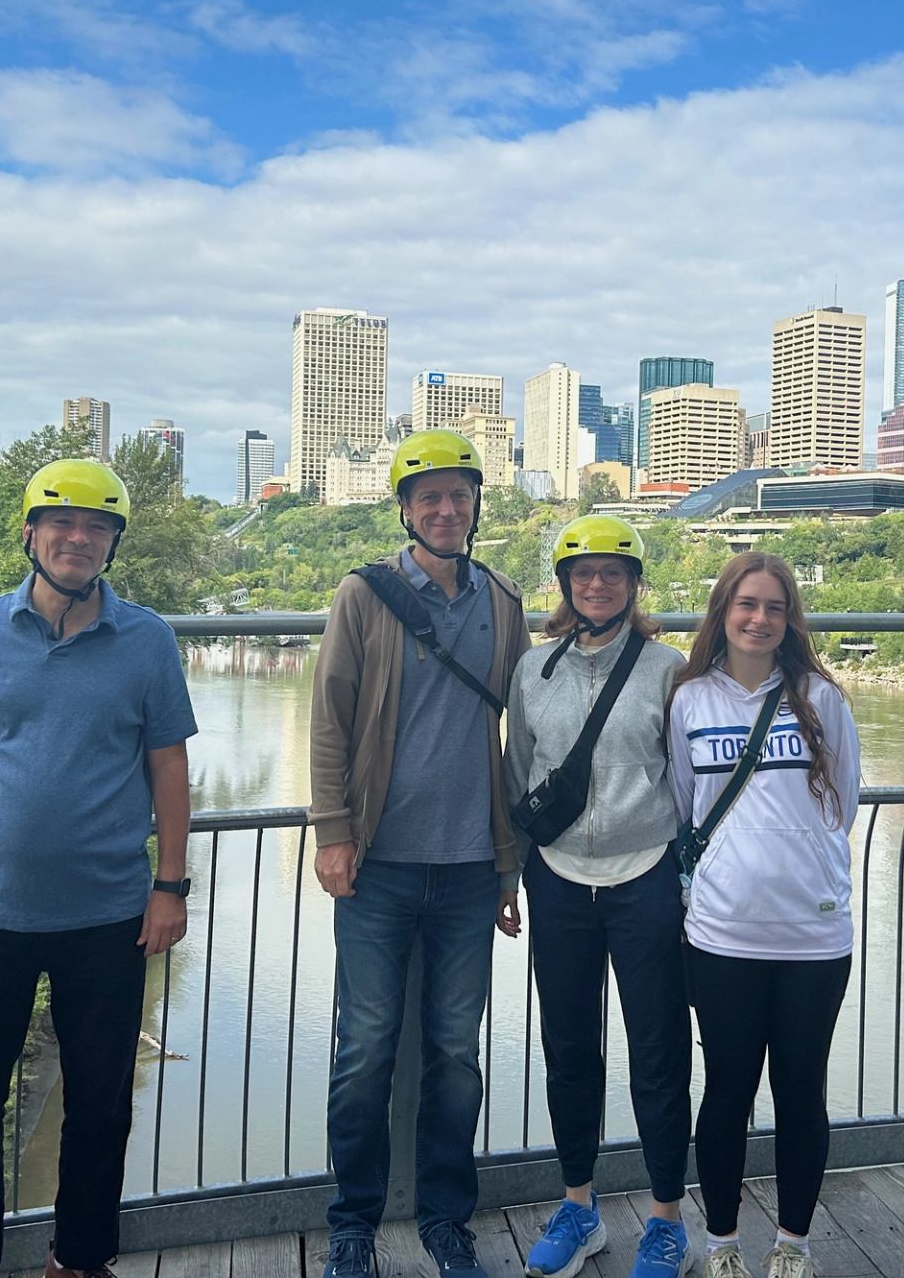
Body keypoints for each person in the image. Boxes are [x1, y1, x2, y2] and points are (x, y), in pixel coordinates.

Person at [0, 459, 198, 1278]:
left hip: (108, 914)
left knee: (98, 1106)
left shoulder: (148, 640)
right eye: (61, 522)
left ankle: (81, 1260)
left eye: (97, 527)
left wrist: (171, 884)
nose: (78, 538)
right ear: (29, 533)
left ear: (112, 545)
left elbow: (169, 766)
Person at [309, 429, 532, 1278]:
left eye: (460, 495)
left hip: (473, 866)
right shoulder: (363, 596)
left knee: (454, 1053)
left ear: (477, 506)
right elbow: (330, 715)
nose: (446, 509)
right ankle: (352, 1222)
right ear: (404, 509)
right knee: (365, 1049)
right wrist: (332, 830)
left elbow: (528, 721)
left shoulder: (503, 601)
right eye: (429, 496)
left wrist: (511, 866)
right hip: (379, 864)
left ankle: (447, 1220)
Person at [503, 516, 694, 1278]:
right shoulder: (532, 669)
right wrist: (510, 876)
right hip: (556, 880)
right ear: (564, 586)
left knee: (658, 1051)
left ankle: (665, 1218)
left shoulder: (668, 669)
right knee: (569, 1048)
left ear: (634, 583)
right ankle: (578, 1205)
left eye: (613, 572)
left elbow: (687, 785)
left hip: (643, 875)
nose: (597, 583)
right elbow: (518, 776)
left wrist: (686, 882)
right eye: (583, 573)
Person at [666, 552, 862, 1278]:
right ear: (722, 612)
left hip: (814, 932)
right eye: (745, 604)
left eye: (774, 608)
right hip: (721, 932)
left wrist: (798, 862)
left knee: (802, 1090)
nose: (759, 619)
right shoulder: (690, 701)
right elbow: (687, 805)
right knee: (725, 1091)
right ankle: (721, 1245)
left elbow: (843, 801)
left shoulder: (820, 698)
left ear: (790, 620)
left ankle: (792, 1244)